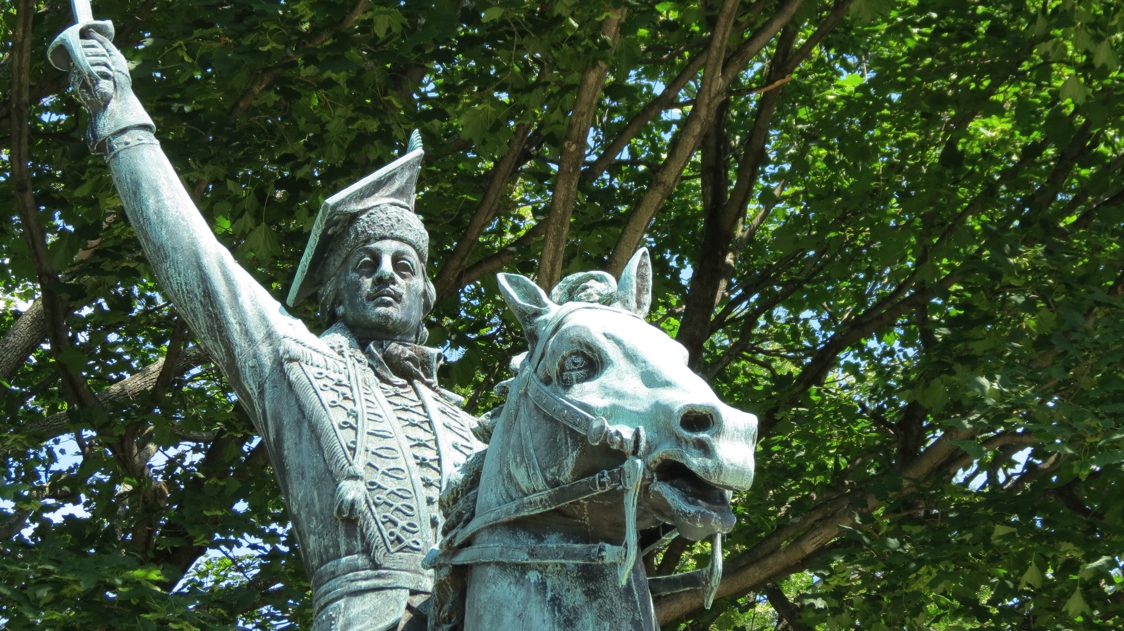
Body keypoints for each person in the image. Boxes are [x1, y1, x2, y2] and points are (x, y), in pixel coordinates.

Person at [51, 24, 484, 631]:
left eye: (404, 266)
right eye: (366, 264)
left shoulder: (474, 426)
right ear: (333, 294)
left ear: (425, 294)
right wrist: (121, 112)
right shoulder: (295, 360)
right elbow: (197, 262)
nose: (386, 275)